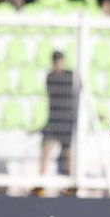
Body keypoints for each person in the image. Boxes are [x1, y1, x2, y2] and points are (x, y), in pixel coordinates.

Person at [38, 51, 76, 194]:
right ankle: (41, 183)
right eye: (56, 62)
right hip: (54, 119)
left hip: (67, 119)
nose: (59, 64)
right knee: (46, 149)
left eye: (60, 61)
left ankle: (71, 185)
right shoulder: (51, 77)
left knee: (68, 153)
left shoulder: (71, 76)